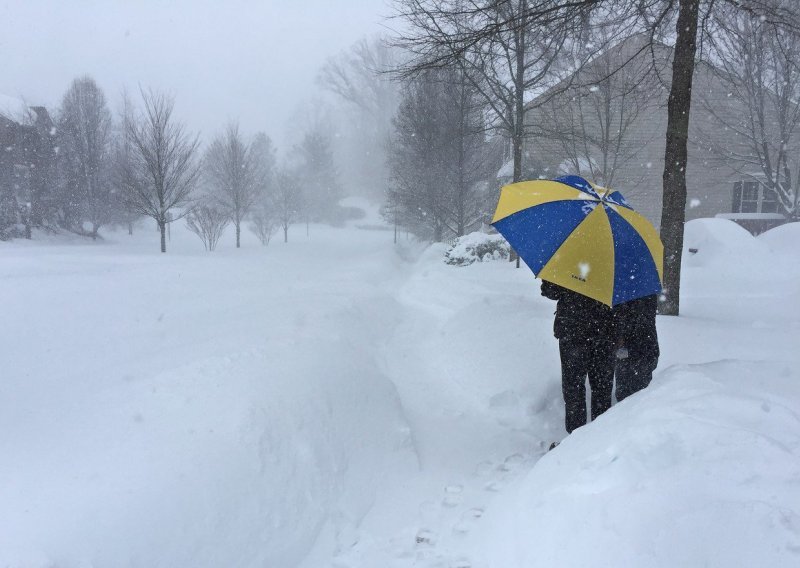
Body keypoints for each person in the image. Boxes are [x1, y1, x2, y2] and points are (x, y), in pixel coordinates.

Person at [540, 280, 616, 437]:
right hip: (604, 330)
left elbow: (550, 291)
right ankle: (600, 436)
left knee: (574, 386)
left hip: (573, 330)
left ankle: (576, 437)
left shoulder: (568, 260)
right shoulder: (612, 261)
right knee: (601, 386)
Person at [613, 294, 659, 402]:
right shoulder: (647, 289)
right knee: (640, 393)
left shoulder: (621, 293)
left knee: (628, 391)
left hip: (631, 348)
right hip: (642, 348)